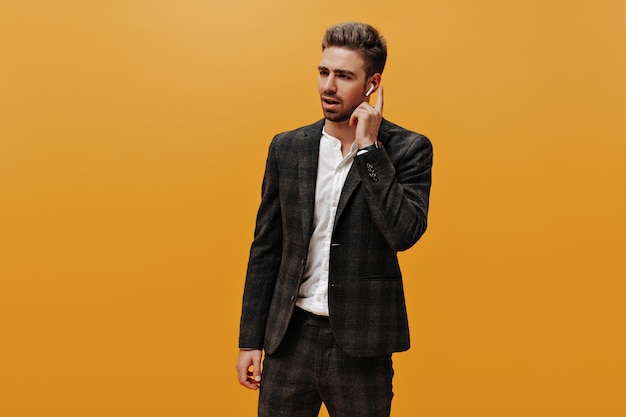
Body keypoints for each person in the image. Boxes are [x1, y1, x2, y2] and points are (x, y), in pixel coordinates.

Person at [236, 21, 433, 417]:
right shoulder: (288, 148)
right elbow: (266, 247)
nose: (329, 86)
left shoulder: (409, 149)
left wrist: (369, 151)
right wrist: (249, 341)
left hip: (361, 345)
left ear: (372, 83)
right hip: (289, 338)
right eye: (324, 72)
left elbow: (403, 232)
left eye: (344, 76)